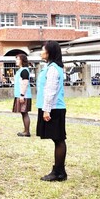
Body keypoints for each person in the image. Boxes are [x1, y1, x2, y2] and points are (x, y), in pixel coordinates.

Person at [36, 41, 68, 181]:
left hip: (54, 108)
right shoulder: (50, 67)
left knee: (58, 139)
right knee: (57, 139)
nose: (41, 52)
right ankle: (59, 171)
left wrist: (46, 110)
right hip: (52, 107)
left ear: (50, 53)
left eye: (43, 50)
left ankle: (59, 172)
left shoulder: (53, 69)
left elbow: (50, 90)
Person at [12, 54, 32, 137]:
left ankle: (27, 131)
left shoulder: (24, 70)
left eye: (18, 59)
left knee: (25, 113)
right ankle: (25, 130)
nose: (16, 61)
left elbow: (25, 83)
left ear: (22, 60)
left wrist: (22, 95)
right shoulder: (20, 70)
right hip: (21, 95)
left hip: (24, 95)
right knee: (23, 113)